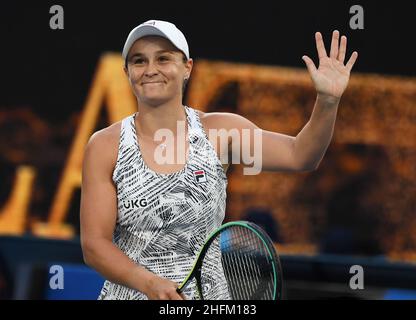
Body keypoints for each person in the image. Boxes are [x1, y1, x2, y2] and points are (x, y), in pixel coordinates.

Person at [80, 20, 358, 300]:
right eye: (139, 61)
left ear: (187, 67)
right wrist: (148, 283)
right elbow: (94, 245)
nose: (150, 69)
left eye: (163, 58)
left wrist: (327, 101)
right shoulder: (104, 146)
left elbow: (301, 156)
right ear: (127, 71)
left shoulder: (221, 132)